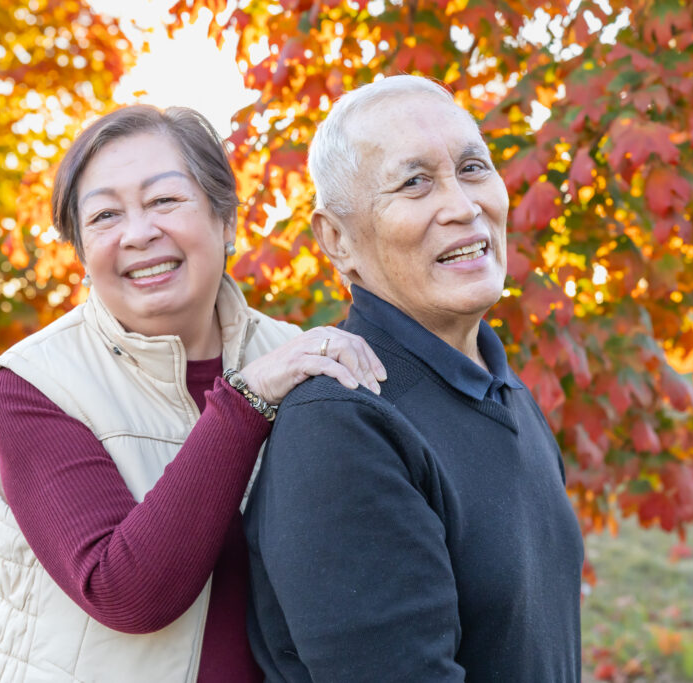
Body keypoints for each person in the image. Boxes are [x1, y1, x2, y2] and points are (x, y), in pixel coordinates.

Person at [0, 104, 386, 682]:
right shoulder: (34, 385)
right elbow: (125, 594)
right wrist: (247, 401)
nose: (138, 233)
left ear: (226, 221)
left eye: (164, 201)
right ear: (83, 254)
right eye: (105, 216)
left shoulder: (295, 353)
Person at [245, 75, 584, 682]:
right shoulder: (343, 422)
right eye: (414, 182)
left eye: (473, 167)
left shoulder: (502, 389)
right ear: (338, 239)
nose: (462, 205)